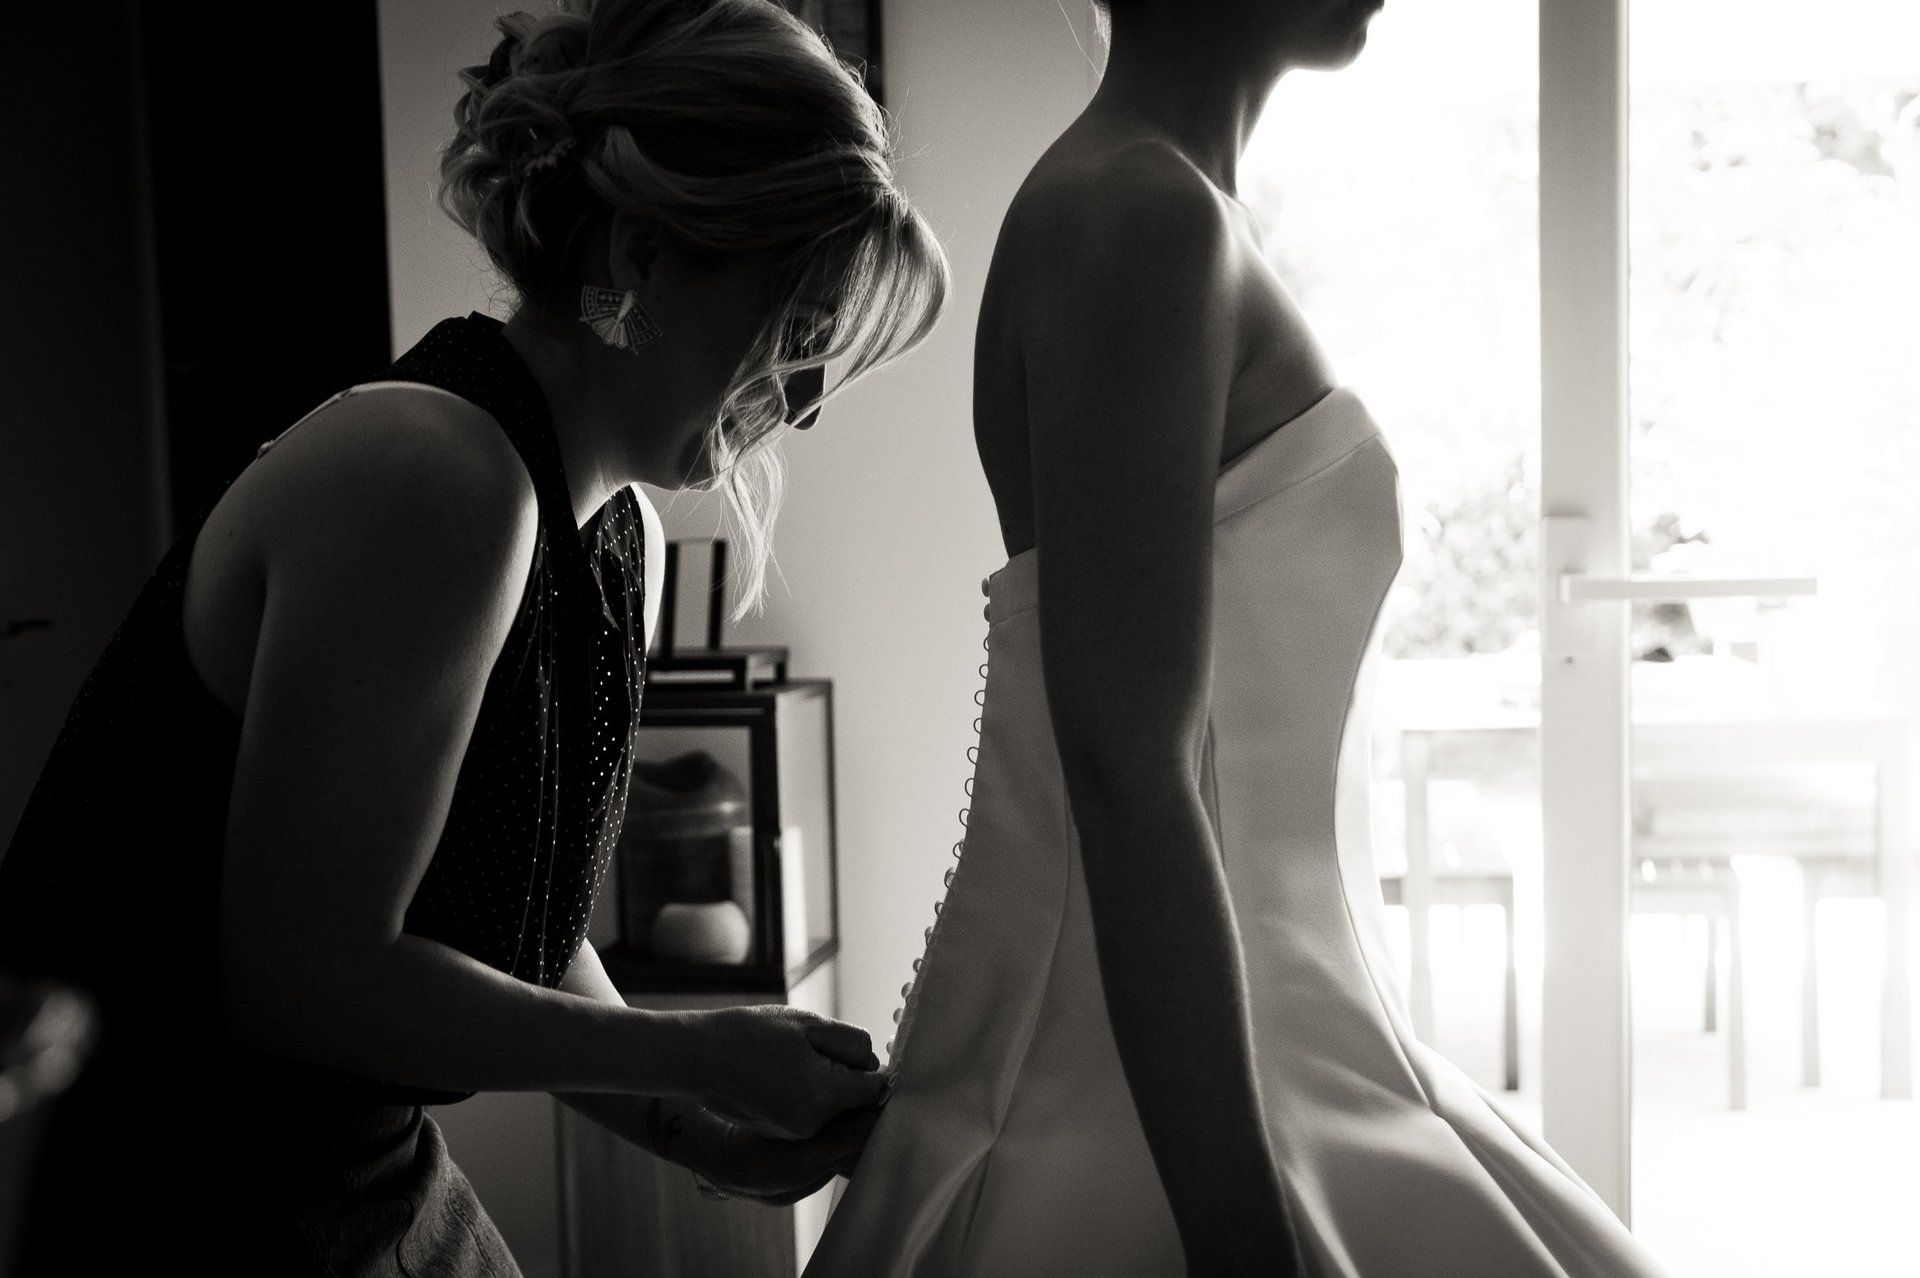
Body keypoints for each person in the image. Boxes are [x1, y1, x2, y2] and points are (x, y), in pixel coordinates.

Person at [0, 0, 946, 1272]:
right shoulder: (433, 472)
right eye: (799, 328)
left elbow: (531, 932)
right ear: (648, 255)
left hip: (364, 1166)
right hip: (190, 1200)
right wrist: (694, 1051)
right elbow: (302, 977)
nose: (812, 402)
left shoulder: (617, 538)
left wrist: (690, 1129)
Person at [807, 1, 1668, 1274]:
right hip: (1157, 1082)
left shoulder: (1171, 207)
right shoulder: (1138, 217)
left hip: (1281, 1027)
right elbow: (1128, 768)